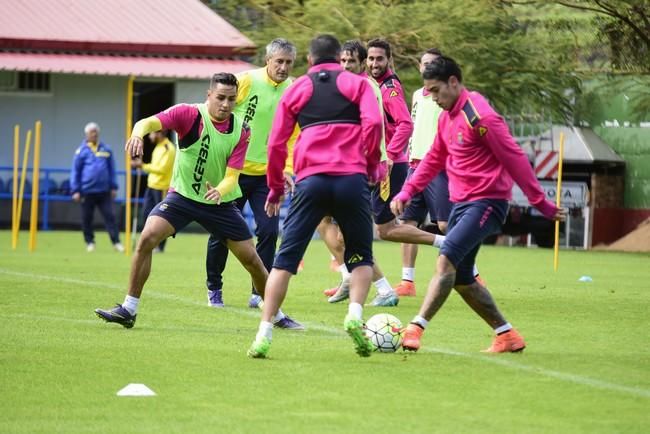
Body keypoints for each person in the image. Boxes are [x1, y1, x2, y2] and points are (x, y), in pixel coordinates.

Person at [94, 72, 302, 330]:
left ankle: (277, 315)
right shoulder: (188, 114)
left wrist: (220, 190)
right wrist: (137, 134)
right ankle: (129, 308)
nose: (226, 104)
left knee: (252, 260)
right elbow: (148, 122)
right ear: (209, 96)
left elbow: (232, 176)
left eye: (231, 99)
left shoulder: (241, 129)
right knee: (147, 238)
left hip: (218, 202)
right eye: (220, 98)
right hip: (182, 197)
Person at [391, 56, 566, 353]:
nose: (433, 99)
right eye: (429, 92)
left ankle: (415, 327)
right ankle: (507, 335)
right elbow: (434, 158)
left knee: (445, 259)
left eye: (436, 91)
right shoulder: (447, 117)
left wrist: (542, 204)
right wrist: (407, 191)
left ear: (454, 82)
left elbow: (515, 158)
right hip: (461, 203)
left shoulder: (480, 117)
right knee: (462, 278)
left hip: (488, 201)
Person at [247, 34, 384, 358]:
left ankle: (263, 334)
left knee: (284, 262)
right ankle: (354, 316)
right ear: (339, 59)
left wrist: (276, 188)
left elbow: (276, 144)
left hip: (310, 182)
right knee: (361, 256)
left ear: (308, 61)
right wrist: (371, 165)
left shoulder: (297, 89)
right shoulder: (357, 84)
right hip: (351, 179)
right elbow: (374, 122)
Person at [326, 39, 446, 305]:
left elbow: (405, 124)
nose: (374, 63)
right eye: (370, 59)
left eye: (379, 59)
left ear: (389, 60)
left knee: (385, 230)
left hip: (389, 165)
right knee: (348, 232)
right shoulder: (369, 85)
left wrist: (390, 155)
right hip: (371, 164)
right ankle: (366, 282)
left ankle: (442, 244)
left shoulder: (389, 88)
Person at [204, 38, 297, 309]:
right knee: (221, 233)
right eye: (278, 61)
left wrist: (287, 169)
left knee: (268, 231)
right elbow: (218, 113)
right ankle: (214, 288)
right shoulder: (245, 80)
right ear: (267, 60)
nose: (283, 67)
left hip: (266, 177)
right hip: (232, 172)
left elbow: (293, 135)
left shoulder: (293, 91)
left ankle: (258, 292)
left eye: (288, 63)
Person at [317, 40, 397, 307]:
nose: (346, 66)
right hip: (344, 167)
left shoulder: (367, 88)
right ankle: (348, 276)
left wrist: (372, 164)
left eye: (351, 61)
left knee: (350, 235)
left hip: (365, 168)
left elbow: (370, 130)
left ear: (362, 64)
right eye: (342, 61)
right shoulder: (342, 87)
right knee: (323, 219)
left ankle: (385, 290)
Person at [394, 48, 448, 297]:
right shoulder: (416, 95)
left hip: (436, 166)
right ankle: (407, 281)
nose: (427, 67)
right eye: (424, 63)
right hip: (414, 166)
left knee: (445, 224)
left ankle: (472, 272)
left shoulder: (445, 96)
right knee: (407, 223)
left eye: (433, 63)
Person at [70, 122, 124, 253]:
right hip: (86, 191)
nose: (94, 134)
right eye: (91, 132)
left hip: (104, 190)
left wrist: (113, 187)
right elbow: (75, 171)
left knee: (110, 216)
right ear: (86, 134)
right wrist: (75, 190)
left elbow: (112, 169)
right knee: (87, 218)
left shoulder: (106, 149)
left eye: (95, 131)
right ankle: (90, 242)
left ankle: (116, 242)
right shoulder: (80, 151)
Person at [131, 129, 176, 252]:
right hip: (152, 186)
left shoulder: (168, 148)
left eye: (151, 133)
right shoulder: (158, 147)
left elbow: (162, 169)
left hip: (161, 187)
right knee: (146, 214)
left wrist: (143, 166)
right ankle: (150, 242)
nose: (150, 136)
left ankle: (160, 246)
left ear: (159, 133)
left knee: (162, 218)